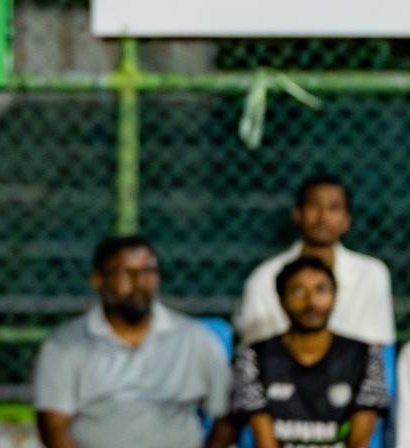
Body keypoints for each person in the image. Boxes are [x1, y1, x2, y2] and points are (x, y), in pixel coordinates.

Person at [33, 234, 231, 448]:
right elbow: (54, 429)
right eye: (125, 272)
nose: (139, 282)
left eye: (149, 271)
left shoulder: (194, 338)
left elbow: (229, 414)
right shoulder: (64, 345)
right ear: (97, 280)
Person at [228, 256, 390, 448]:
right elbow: (265, 442)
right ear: (281, 299)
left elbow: (359, 442)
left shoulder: (367, 355)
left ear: (335, 296)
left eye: (321, 290)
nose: (311, 302)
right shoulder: (253, 356)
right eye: (298, 291)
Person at [234, 175, 394, 348]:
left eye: (333, 208)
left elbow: (378, 347)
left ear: (347, 220)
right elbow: (256, 349)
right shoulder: (265, 277)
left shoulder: (371, 274)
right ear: (297, 214)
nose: (322, 216)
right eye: (314, 206)